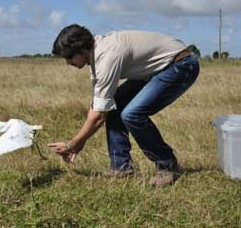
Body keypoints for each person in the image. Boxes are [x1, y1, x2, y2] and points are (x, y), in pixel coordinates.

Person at [45, 24, 199, 187]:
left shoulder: (107, 58)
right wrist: (80, 141)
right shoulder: (96, 54)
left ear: (82, 49)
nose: (68, 63)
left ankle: (168, 166)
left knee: (132, 114)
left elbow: (99, 116)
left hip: (180, 65)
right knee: (115, 105)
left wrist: (73, 144)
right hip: (158, 68)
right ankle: (121, 167)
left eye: (69, 57)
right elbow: (99, 104)